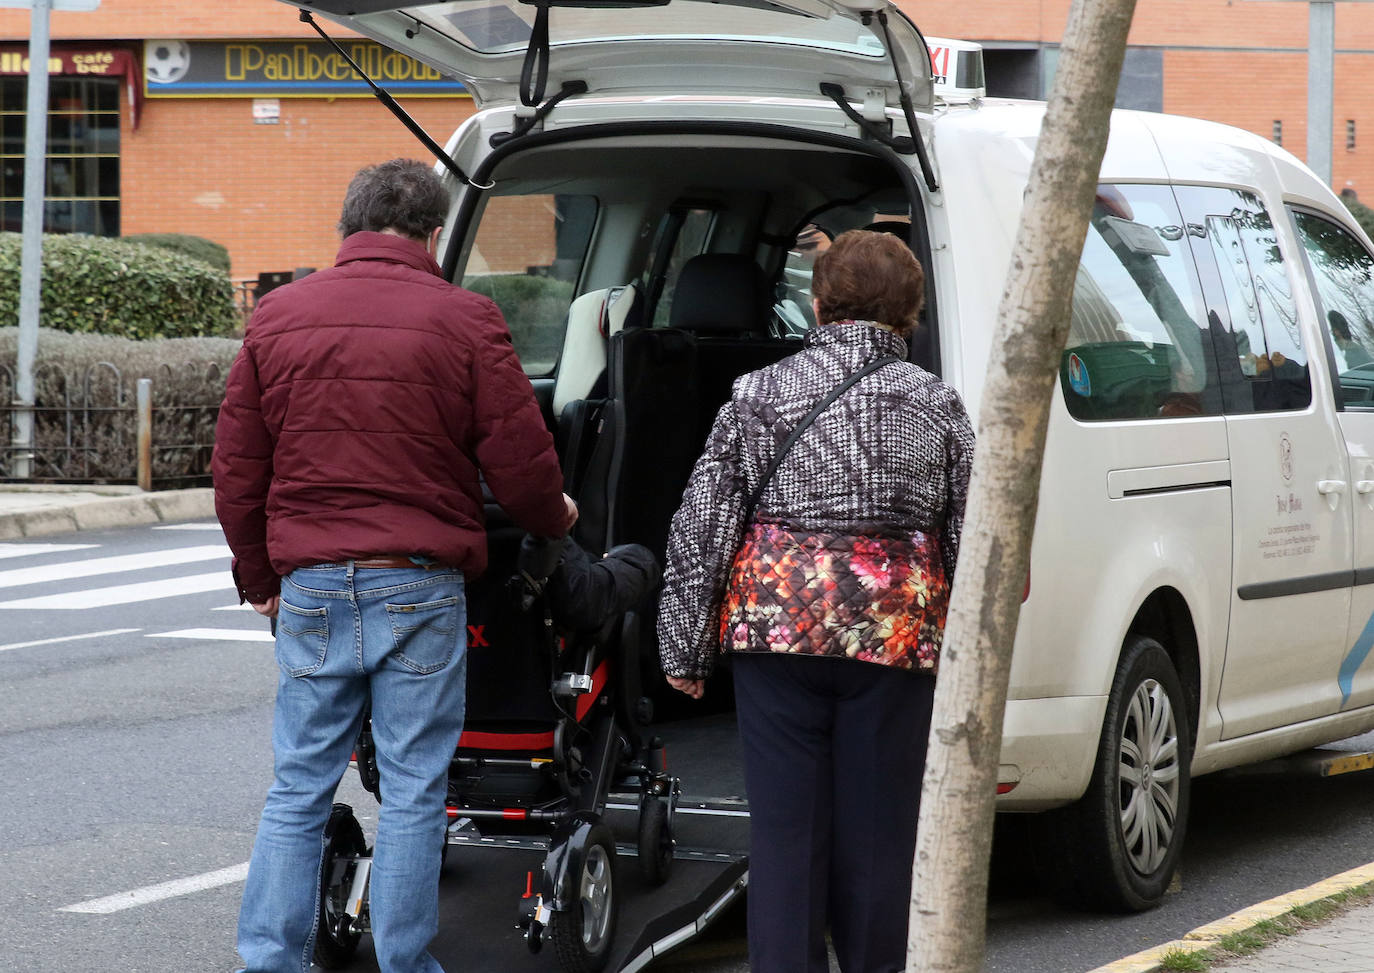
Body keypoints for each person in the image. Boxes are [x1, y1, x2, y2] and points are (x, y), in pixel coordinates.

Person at [212, 158, 576, 973]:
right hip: (417, 581)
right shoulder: (465, 319)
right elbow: (520, 464)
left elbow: (237, 468)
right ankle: (405, 962)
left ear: (346, 226)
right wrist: (557, 520)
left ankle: (270, 960)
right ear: (434, 232)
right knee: (414, 786)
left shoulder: (277, 317)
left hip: (310, 581)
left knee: (299, 784)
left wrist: (260, 579)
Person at [656, 230, 975, 973]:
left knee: (785, 841)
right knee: (878, 841)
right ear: (910, 316)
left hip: (775, 639)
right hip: (893, 643)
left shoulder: (757, 393)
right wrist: (964, 657)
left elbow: (701, 530)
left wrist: (683, 648)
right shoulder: (939, 406)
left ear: (819, 302)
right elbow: (974, 541)